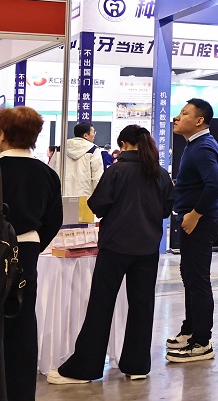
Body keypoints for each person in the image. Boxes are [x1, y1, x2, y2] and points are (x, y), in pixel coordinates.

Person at [48, 125, 174, 385]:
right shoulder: (159, 173)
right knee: (142, 306)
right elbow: (165, 210)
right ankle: (137, 365)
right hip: (148, 248)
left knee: (101, 305)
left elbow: (98, 205)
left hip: (115, 246)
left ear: (123, 144)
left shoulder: (116, 171)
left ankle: (85, 368)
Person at [0, 106, 63, 400]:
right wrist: (34, 245)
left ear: (2, 134)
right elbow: (54, 220)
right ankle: (21, 392)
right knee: (23, 319)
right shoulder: (47, 173)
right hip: (27, 251)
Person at [166, 98, 218, 363]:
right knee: (190, 276)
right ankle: (190, 329)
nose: (177, 117)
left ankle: (202, 342)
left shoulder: (202, 147)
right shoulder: (195, 145)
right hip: (195, 219)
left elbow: (216, 184)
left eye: (184, 113)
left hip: (201, 221)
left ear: (199, 120)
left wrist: (195, 214)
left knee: (198, 279)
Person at [63, 121, 104, 196]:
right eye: (93, 132)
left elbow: (52, 173)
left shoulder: (61, 149)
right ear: (85, 135)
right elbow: (97, 178)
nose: (94, 135)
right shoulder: (94, 150)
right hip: (85, 197)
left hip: (63, 195)